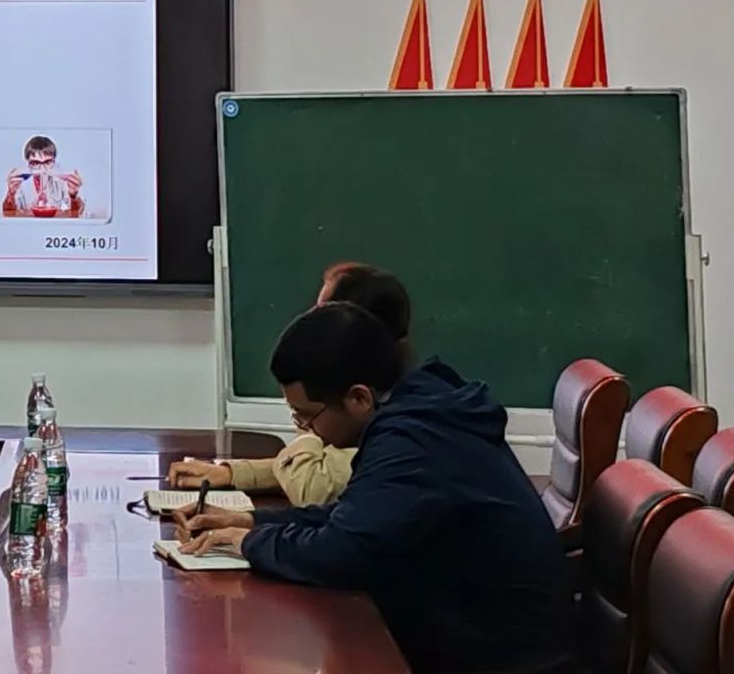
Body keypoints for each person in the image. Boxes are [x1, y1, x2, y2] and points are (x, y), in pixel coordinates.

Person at [182, 302, 571, 674]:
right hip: (477, 636)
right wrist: (253, 521)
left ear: (359, 398)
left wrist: (251, 543)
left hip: (497, 660)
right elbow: (357, 517)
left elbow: (342, 553)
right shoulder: (424, 405)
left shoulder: (413, 439)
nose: (306, 430)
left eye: (306, 417)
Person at [167, 261, 412, 506]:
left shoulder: (400, 432)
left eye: (322, 313)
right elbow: (326, 468)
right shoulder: (375, 398)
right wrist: (232, 474)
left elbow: (314, 487)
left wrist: (306, 421)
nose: (311, 325)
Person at [1, 136, 84, 219]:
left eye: (47, 162)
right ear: (28, 163)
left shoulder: (60, 180)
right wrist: (10, 194)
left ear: (54, 161)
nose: (42, 169)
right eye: (35, 163)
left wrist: (73, 196)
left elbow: (77, 213)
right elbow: (8, 214)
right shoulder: (21, 182)